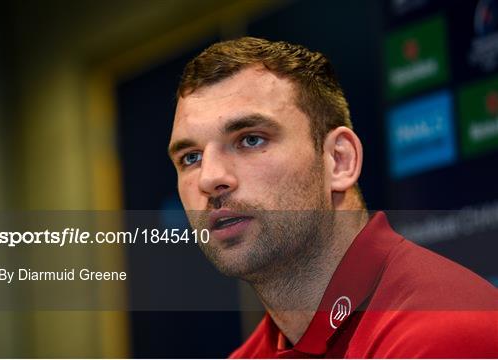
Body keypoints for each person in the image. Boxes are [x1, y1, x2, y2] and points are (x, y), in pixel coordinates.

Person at [167, 37, 498, 358]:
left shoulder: (443, 332)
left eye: (250, 140)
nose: (210, 178)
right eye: (191, 158)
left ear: (339, 160)